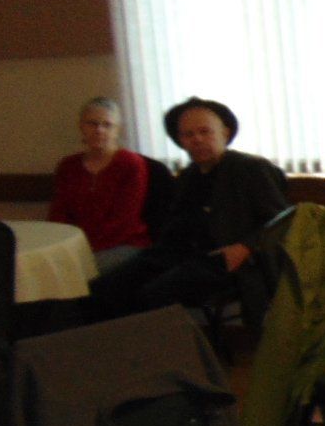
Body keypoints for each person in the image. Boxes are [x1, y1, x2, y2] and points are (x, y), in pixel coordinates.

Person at [87, 97, 288, 320]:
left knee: (151, 296)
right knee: (106, 287)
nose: (197, 139)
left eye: (205, 132)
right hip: (178, 254)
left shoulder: (251, 168)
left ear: (225, 133)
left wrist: (245, 247)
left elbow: (283, 221)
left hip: (227, 259)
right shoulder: (188, 176)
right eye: (188, 135)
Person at [47, 97, 152, 272]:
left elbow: (124, 220)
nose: (99, 130)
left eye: (107, 125)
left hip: (123, 244)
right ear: (81, 127)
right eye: (92, 124)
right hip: (76, 245)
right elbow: (59, 214)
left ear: (117, 130)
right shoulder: (68, 166)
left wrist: (85, 247)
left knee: (74, 273)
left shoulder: (131, 164)